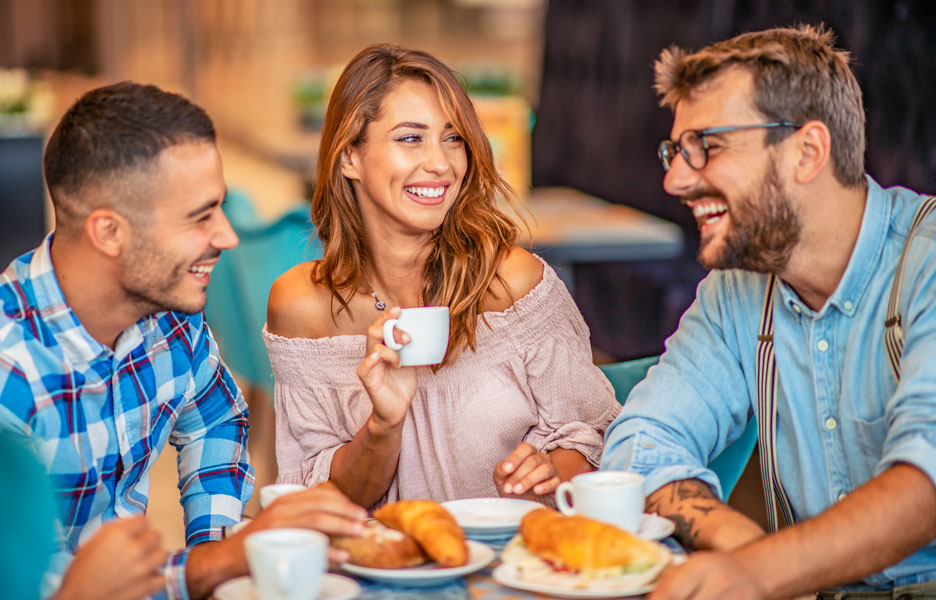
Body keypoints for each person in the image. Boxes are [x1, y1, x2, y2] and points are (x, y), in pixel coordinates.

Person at [600, 24, 936, 600]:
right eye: (675, 150)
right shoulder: (738, 289)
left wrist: (760, 572)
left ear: (807, 152)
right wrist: (744, 552)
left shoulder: (926, 263)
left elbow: (926, 485)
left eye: (708, 145)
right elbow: (644, 437)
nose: (675, 178)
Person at [0, 81, 366, 600]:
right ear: (109, 232)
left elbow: (216, 416)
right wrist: (217, 563)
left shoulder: (168, 316)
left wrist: (215, 551)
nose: (227, 236)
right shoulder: (9, 371)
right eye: (200, 217)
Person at [264, 44, 619, 509]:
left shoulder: (512, 283)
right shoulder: (303, 306)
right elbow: (324, 502)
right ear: (349, 156)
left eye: (453, 139)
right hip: (379, 574)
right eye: (411, 138)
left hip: (517, 566)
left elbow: (595, 439)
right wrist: (382, 426)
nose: (442, 163)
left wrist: (554, 471)